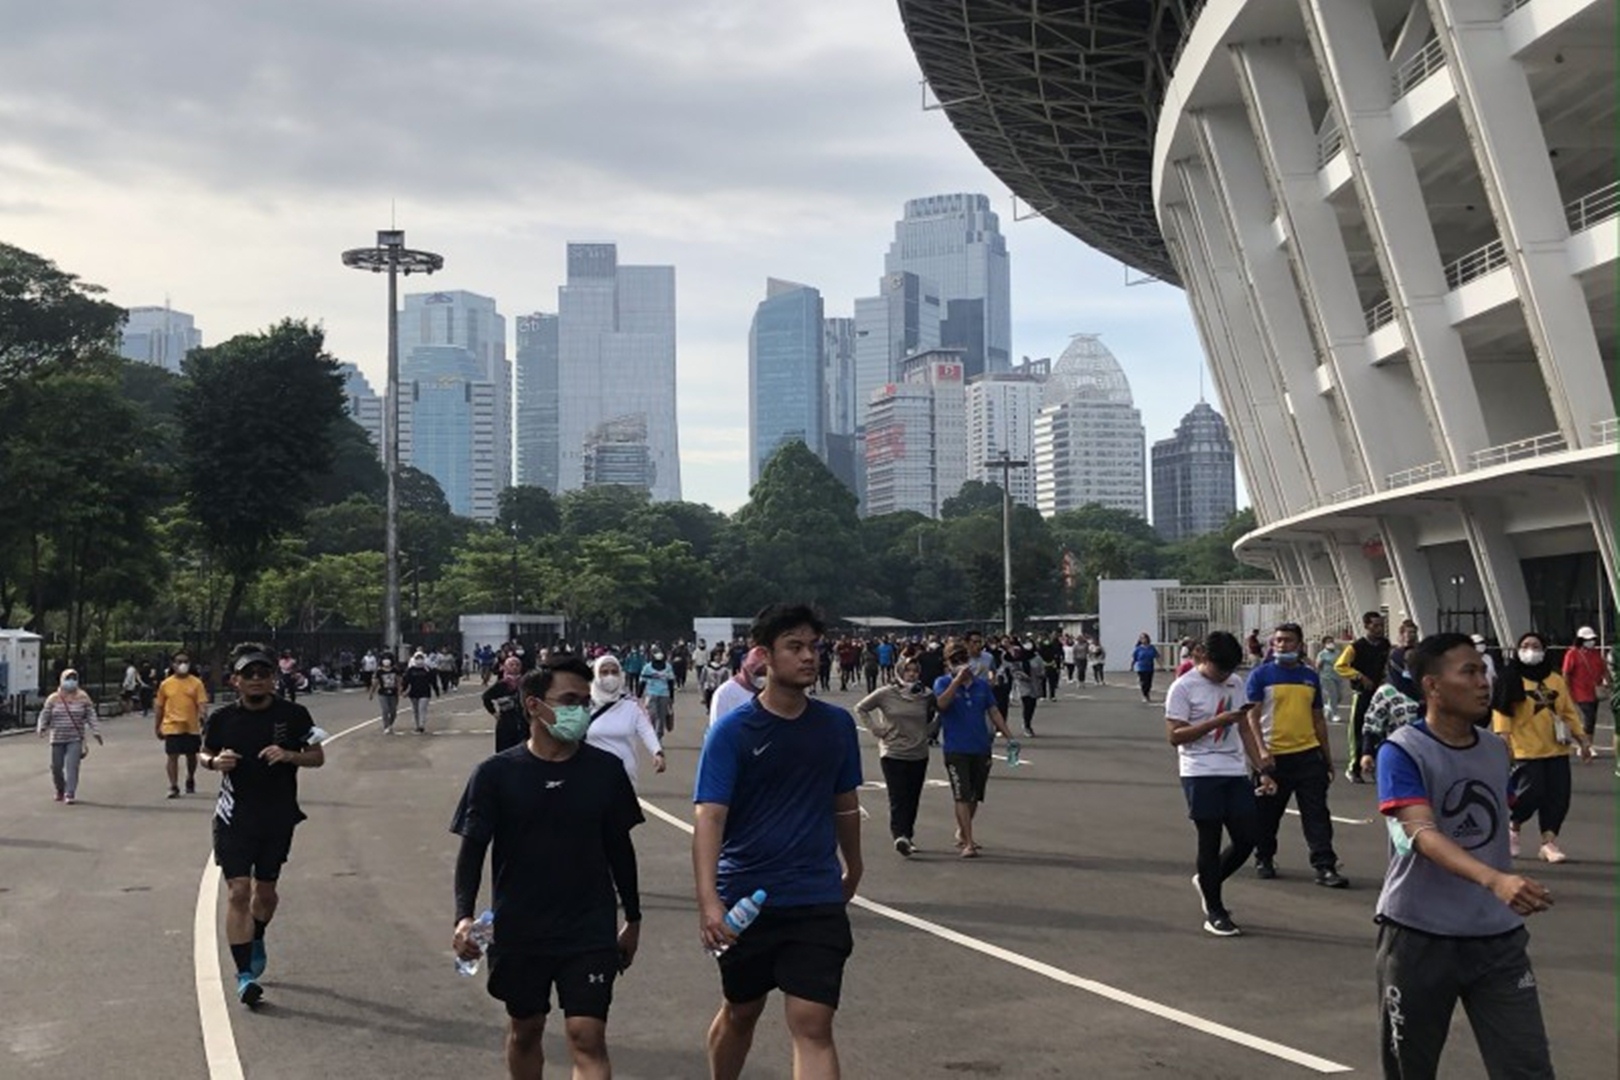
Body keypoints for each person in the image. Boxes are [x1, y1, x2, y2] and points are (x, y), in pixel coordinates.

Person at [452, 656, 644, 1079]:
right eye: (569, 700)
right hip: (519, 927)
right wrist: (464, 917)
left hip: (588, 926)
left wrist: (632, 917)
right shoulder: (495, 774)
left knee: (586, 1036)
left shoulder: (605, 771)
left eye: (584, 701)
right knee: (526, 1028)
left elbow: (620, 849)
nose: (580, 710)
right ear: (534, 705)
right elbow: (472, 852)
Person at [1374, 632, 1556, 1078]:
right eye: (1469, 672)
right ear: (1432, 685)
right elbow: (1421, 832)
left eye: (1484, 671)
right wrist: (1494, 879)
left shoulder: (1495, 749)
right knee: (1409, 1069)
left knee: (1527, 1067)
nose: (1483, 682)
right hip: (1419, 935)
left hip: (1498, 939)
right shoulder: (1402, 750)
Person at [693, 604, 863, 1080]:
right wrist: (710, 901)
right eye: (795, 647)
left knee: (813, 1025)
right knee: (740, 1011)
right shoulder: (733, 732)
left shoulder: (836, 725)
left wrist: (854, 865)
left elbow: (844, 802)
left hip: (815, 897)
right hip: (746, 899)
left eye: (814, 646)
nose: (809, 656)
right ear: (764, 655)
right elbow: (710, 816)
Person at [200, 644, 326, 1006]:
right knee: (238, 891)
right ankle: (243, 976)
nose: (257, 680)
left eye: (263, 674)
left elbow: (317, 756)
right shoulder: (222, 719)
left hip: (278, 816)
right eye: (249, 674)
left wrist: (289, 755)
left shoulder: (296, 714)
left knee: (265, 893)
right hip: (233, 818)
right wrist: (213, 762)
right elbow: (204, 752)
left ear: (273, 678)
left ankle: (256, 935)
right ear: (235, 680)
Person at [1165, 632, 1274, 936]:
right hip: (1199, 771)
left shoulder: (1235, 683)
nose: (1224, 675)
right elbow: (1175, 736)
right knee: (1209, 840)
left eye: (1229, 670)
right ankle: (1215, 909)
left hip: (1233, 769)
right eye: (1219, 669)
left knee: (1247, 837)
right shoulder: (1183, 687)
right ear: (1202, 657)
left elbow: (1244, 729)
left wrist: (1262, 768)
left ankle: (1208, 879)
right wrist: (1215, 722)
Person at [1247, 622, 1347, 887]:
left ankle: (1325, 866)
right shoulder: (1261, 675)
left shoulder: (1309, 676)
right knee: (1267, 815)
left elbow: (1318, 720)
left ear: (1300, 644)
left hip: (1307, 755)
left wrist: (1326, 757)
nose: (1282, 645)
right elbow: (1252, 717)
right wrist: (1261, 753)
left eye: (1288, 641)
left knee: (1316, 814)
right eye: (1278, 641)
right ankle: (1264, 858)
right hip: (1273, 758)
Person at [1492, 631, 1593, 863]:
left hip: (1556, 748)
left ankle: (1548, 843)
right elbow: (1502, 712)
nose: (1530, 650)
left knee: (1558, 797)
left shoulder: (1554, 679)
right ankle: (1513, 828)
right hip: (1526, 750)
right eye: (1525, 645)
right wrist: (1504, 742)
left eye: (1536, 646)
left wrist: (1582, 739)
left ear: (1544, 650)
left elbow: (1568, 712)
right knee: (1530, 793)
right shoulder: (1510, 678)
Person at [934, 637, 1014, 858]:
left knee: (975, 796)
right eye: (954, 660)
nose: (959, 663)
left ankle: (962, 831)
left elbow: (993, 711)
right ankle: (968, 841)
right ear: (948, 663)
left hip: (980, 746)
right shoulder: (942, 682)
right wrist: (956, 682)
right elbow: (941, 704)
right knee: (961, 794)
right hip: (956, 748)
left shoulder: (981, 686)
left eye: (962, 658)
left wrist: (1008, 736)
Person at [853, 656, 936, 857]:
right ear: (900, 671)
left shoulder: (925, 694)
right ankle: (899, 835)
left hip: (918, 752)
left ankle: (908, 834)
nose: (912, 674)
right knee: (898, 795)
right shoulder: (887, 693)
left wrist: (931, 731)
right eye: (908, 670)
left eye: (915, 671)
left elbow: (939, 712)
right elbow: (861, 708)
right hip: (893, 751)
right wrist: (874, 728)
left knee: (913, 796)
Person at [585, 654, 665, 788]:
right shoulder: (585, 706)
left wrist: (657, 752)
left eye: (614, 672)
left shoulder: (631, 705)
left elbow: (646, 730)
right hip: (592, 775)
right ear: (596, 675)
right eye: (604, 672)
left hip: (625, 775)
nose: (610, 677)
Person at [1336, 611, 1391, 783]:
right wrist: (1359, 676)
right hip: (1362, 694)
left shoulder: (1385, 645)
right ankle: (1354, 768)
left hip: (1380, 694)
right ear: (1366, 626)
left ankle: (1375, 765)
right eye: (1375, 625)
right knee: (1358, 730)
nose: (1379, 629)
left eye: (1381, 625)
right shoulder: (1356, 647)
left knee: (1380, 730)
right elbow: (1340, 666)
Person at [37, 668, 102, 803]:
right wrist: (42, 727)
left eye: (74, 678)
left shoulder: (83, 697)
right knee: (56, 767)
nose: (71, 681)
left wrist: (96, 731)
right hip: (57, 738)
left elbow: (91, 715)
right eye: (68, 678)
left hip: (75, 738)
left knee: (72, 766)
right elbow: (45, 714)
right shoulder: (53, 698)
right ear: (62, 680)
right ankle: (60, 789)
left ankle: (70, 792)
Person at [154, 650, 209, 798]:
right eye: (179, 661)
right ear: (173, 664)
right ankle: (173, 785)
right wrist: (157, 726)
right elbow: (159, 706)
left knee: (191, 756)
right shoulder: (166, 684)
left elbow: (202, 703)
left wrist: (204, 716)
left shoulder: (196, 683)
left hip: (191, 726)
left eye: (185, 661)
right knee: (172, 755)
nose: (182, 664)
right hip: (171, 725)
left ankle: (190, 777)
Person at [1561, 626, 1610, 743]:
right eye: (1587, 639)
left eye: (1592, 639)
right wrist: (1567, 691)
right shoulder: (1572, 654)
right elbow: (1566, 673)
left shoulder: (1595, 653)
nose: (1591, 641)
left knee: (1591, 719)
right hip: (1580, 692)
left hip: (1594, 692)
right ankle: (1585, 744)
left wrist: (1608, 682)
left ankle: (1588, 743)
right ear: (1580, 640)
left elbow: (1603, 669)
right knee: (1589, 717)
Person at [709, 645, 768, 728]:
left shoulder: (777, 692)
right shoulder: (725, 693)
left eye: (765, 674)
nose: (762, 679)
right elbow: (716, 727)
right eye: (757, 674)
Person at [482, 656, 527, 752]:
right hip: (506, 722)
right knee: (504, 750)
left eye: (517, 665)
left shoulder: (526, 683)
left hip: (523, 722)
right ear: (505, 667)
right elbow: (486, 697)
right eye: (511, 665)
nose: (515, 667)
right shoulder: (501, 684)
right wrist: (494, 712)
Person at [640, 648, 676, 738]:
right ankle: (652, 734)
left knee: (661, 716)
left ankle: (658, 736)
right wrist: (639, 694)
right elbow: (642, 681)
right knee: (652, 715)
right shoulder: (647, 667)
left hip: (664, 694)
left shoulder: (668, 667)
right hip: (651, 694)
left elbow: (671, 682)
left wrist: (671, 696)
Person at [403, 649, 437, 734]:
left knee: (422, 709)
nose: (419, 659)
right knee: (415, 710)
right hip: (413, 693)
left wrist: (436, 690)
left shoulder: (427, 669)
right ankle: (416, 725)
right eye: (417, 658)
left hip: (425, 692)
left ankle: (422, 725)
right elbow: (406, 681)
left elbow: (433, 681)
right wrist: (404, 690)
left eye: (421, 658)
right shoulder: (411, 670)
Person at [368, 653, 401, 733]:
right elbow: (375, 683)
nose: (386, 661)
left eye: (388, 659)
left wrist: (400, 691)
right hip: (383, 693)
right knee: (385, 709)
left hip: (393, 693)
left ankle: (390, 724)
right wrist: (371, 693)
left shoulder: (395, 670)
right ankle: (386, 726)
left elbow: (399, 681)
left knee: (393, 711)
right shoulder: (379, 672)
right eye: (384, 659)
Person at [1315, 636, 1344, 722]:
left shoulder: (1338, 653)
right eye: (1328, 642)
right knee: (1333, 695)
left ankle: (1329, 706)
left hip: (1337, 676)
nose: (1331, 644)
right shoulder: (1322, 654)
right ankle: (1334, 714)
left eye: (1332, 641)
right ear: (1324, 644)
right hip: (1326, 677)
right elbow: (1318, 667)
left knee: (1339, 696)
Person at [698, 647, 731, 712]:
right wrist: (701, 695)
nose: (718, 657)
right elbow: (701, 681)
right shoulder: (707, 668)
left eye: (719, 655)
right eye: (716, 655)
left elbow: (726, 683)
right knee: (710, 708)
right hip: (709, 690)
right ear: (713, 656)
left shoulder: (724, 669)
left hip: (719, 690)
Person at [1131, 633, 1159, 704]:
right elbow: (1134, 658)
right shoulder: (1138, 649)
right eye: (1142, 638)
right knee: (1144, 682)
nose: (1143, 640)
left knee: (1149, 683)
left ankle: (1147, 693)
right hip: (1141, 667)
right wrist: (1132, 666)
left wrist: (1160, 664)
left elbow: (1157, 656)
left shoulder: (1151, 647)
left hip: (1150, 667)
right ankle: (1145, 695)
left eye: (1144, 638)